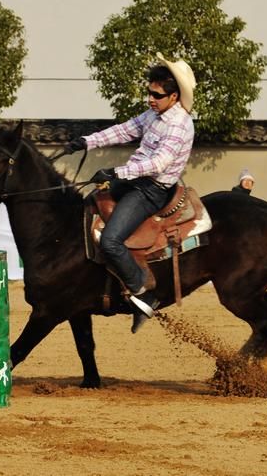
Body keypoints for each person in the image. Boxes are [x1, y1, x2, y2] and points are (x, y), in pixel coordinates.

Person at [65, 52, 197, 333]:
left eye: (157, 95)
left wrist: (115, 173)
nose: (151, 99)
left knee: (112, 240)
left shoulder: (179, 124)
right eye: (149, 93)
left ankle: (143, 291)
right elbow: (124, 130)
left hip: (152, 189)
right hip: (133, 179)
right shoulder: (153, 115)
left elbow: (159, 163)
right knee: (88, 205)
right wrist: (87, 142)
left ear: (174, 97)